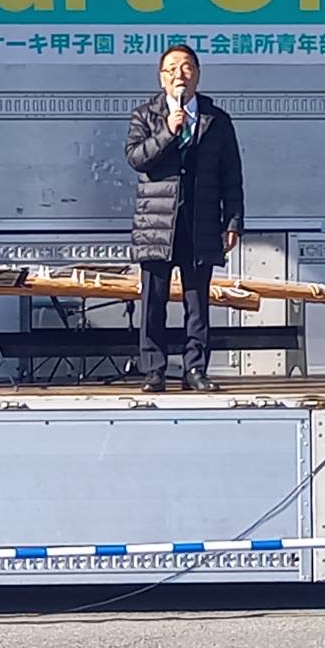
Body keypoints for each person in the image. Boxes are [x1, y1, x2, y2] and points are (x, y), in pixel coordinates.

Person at [124, 44, 245, 393]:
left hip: (201, 220)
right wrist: (169, 131)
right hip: (157, 222)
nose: (180, 74)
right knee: (153, 301)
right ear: (162, 78)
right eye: (173, 68)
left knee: (197, 302)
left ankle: (195, 369)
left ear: (198, 75)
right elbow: (136, 158)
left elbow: (231, 174)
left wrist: (232, 221)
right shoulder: (145, 115)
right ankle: (154, 370)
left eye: (188, 67)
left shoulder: (217, 120)